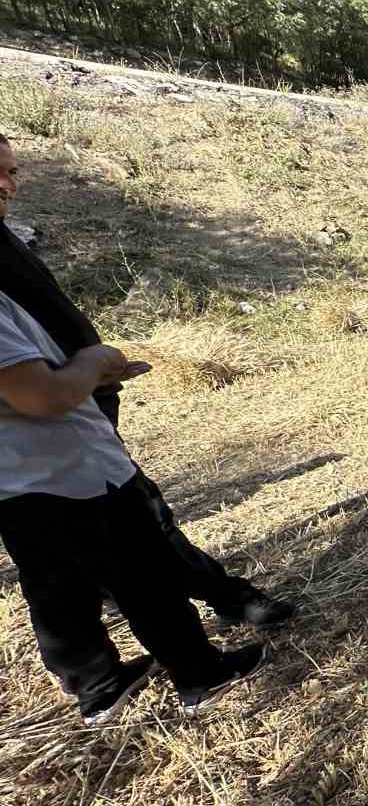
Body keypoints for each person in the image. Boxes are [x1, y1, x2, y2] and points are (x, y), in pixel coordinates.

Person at [0, 134, 294, 627]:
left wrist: (93, 369)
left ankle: (119, 632)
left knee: (110, 528)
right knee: (137, 519)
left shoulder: (3, 234)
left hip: (78, 400)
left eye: (12, 172)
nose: (7, 184)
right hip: (41, 422)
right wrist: (81, 374)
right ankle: (222, 606)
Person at [0, 285, 268, 724]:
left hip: (17, 482)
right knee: (146, 575)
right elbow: (41, 396)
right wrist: (92, 362)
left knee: (57, 589)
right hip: (71, 470)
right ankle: (200, 674)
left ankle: (101, 689)